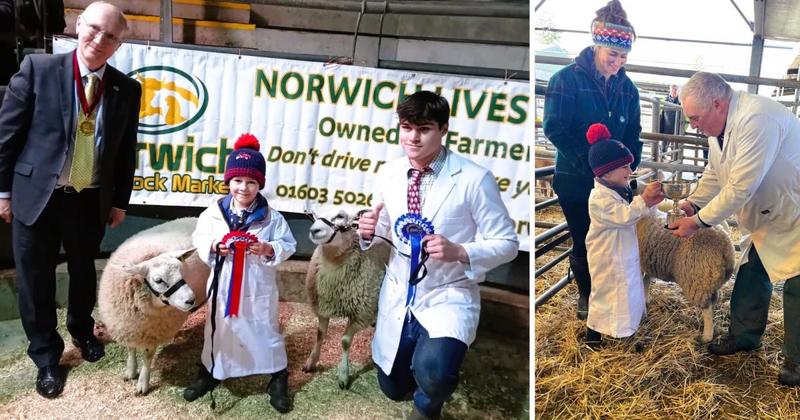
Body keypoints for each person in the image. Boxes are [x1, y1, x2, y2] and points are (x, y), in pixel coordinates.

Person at [0, 1, 140, 399]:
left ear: (118, 45)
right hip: (36, 198)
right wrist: (3, 192)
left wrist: (120, 202)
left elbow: (126, 150)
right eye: (94, 28)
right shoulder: (38, 69)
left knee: (82, 272)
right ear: (79, 25)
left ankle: (83, 330)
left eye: (110, 35)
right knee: (35, 280)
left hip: (88, 199)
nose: (100, 39)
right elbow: (6, 137)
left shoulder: (127, 89)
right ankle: (46, 356)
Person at [357, 91, 518, 420]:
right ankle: (419, 360)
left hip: (447, 291)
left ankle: (428, 405)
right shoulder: (389, 173)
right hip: (399, 290)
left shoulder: (474, 179)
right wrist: (368, 232)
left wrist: (460, 251)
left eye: (424, 129)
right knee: (392, 388)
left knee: (435, 375)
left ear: (443, 129)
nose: (413, 138)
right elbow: (384, 229)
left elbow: (507, 243)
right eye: (406, 127)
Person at [670, 71, 800, 387]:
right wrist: (694, 203)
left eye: (695, 118)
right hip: (769, 214)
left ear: (717, 103)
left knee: (798, 285)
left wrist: (698, 222)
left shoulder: (758, 118)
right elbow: (716, 173)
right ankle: (744, 336)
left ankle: (797, 361)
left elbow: (741, 186)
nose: (693, 125)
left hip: (794, 210)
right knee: (752, 273)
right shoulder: (718, 128)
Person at [543, 0, 642, 320]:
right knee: (585, 239)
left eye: (624, 56)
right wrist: (590, 165)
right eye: (612, 54)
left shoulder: (629, 90)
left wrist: (629, 166)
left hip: (617, 184)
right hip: (576, 180)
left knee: (615, 239)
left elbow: (633, 131)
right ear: (597, 45)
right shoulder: (565, 80)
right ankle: (588, 294)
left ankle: (612, 296)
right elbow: (554, 127)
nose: (618, 62)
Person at [186, 133, 297, 413]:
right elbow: (200, 237)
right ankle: (211, 371)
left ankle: (277, 375)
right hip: (223, 285)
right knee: (219, 328)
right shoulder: (213, 213)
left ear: (260, 184)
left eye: (251, 182)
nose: (243, 188)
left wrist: (269, 248)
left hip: (256, 288)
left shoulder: (272, 218)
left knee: (264, 329)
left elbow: (289, 244)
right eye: (237, 180)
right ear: (228, 181)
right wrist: (214, 245)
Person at [582, 123, 663, 348]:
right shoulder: (599, 199)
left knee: (627, 293)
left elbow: (633, 212)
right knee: (605, 295)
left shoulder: (617, 190)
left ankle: (625, 331)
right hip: (607, 258)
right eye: (625, 167)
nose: (630, 170)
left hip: (622, 254)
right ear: (607, 171)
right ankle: (593, 334)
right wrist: (644, 200)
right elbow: (624, 216)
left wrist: (649, 203)